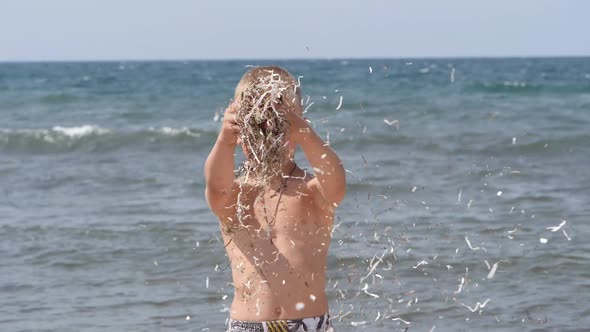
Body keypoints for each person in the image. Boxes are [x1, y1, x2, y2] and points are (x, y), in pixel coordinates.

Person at [204, 66, 345, 332]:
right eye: (257, 124)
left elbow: (336, 183)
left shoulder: (312, 191)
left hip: (308, 324)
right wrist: (224, 140)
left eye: (280, 125)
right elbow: (215, 186)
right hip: (248, 325)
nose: (268, 133)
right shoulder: (235, 196)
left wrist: (304, 132)